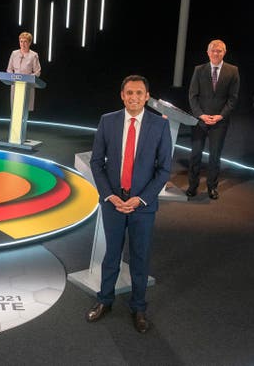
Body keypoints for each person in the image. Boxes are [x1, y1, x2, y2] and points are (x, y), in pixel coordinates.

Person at [86, 75, 172, 334]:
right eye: (129, 93)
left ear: (147, 97)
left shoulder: (159, 126)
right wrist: (109, 195)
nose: (134, 97)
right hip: (113, 201)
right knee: (111, 255)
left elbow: (164, 169)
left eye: (139, 93)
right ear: (122, 95)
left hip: (142, 206)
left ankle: (138, 307)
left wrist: (141, 198)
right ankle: (105, 301)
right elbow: (96, 163)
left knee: (140, 258)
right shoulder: (107, 121)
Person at [187, 39, 240, 200]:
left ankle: (212, 187)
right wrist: (201, 115)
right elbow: (192, 95)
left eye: (219, 51)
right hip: (200, 120)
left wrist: (220, 115)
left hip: (220, 121)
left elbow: (233, 98)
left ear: (224, 52)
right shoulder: (199, 70)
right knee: (195, 154)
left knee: (215, 156)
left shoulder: (233, 71)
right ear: (208, 52)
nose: (216, 53)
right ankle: (193, 186)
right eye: (213, 51)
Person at [6, 31, 42, 111]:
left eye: (25, 42)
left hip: (27, 86)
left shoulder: (33, 55)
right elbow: (9, 69)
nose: (23, 44)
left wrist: (28, 78)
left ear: (29, 43)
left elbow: (38, 72)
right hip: (15, 85)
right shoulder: (14, 53)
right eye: (21, 41)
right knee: (15, 110)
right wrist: (12, 77)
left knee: (24, 110)